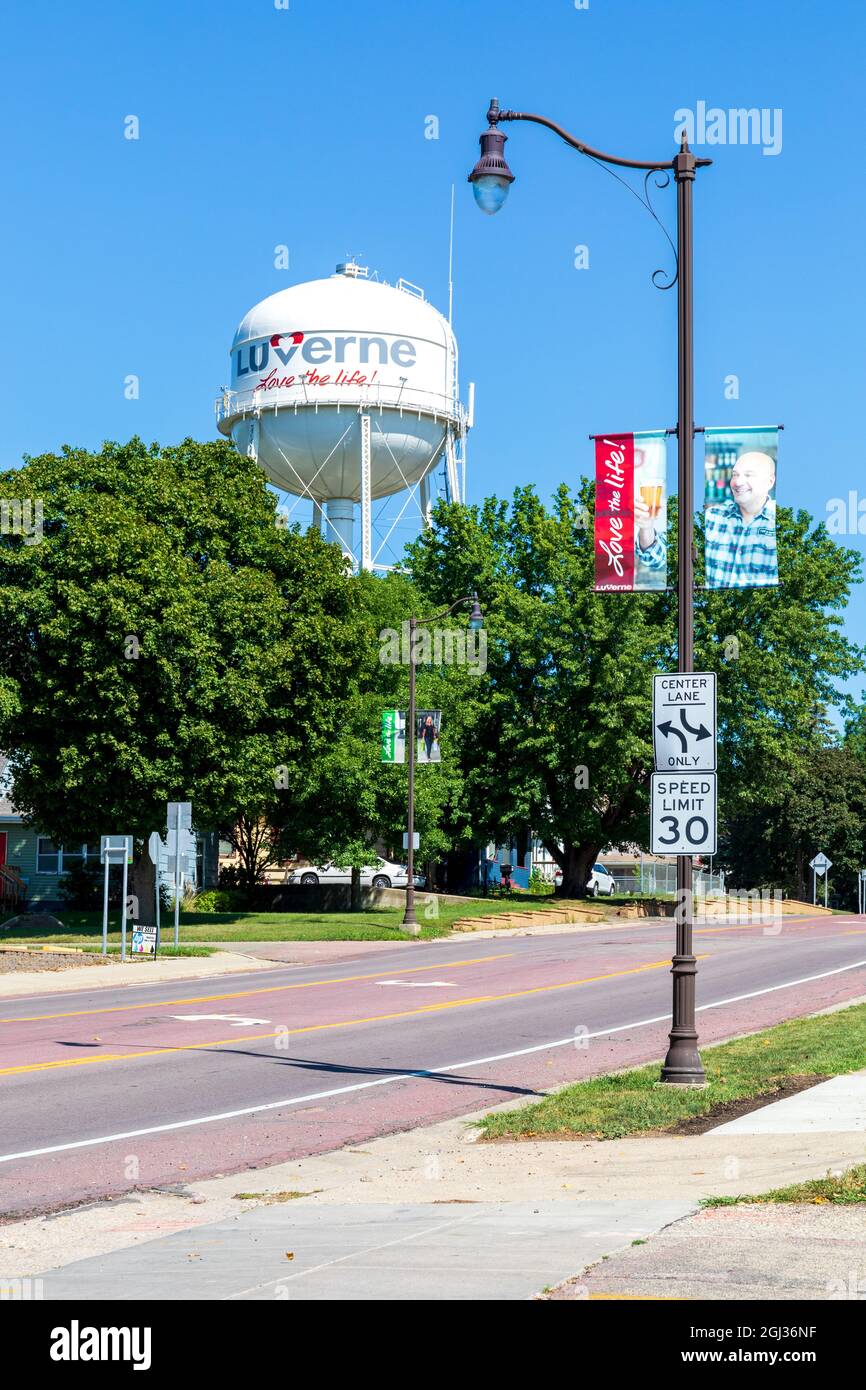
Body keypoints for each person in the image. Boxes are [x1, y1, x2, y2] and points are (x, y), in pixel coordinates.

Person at [634, 450, 778, 589]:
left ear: (770, 482)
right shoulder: (713, 516)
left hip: (757, 612)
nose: (738, 482)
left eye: (748, 475)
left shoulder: (777, 525)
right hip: (709, 608)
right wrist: (646, 527)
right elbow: (655, 557)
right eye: (735, 475)